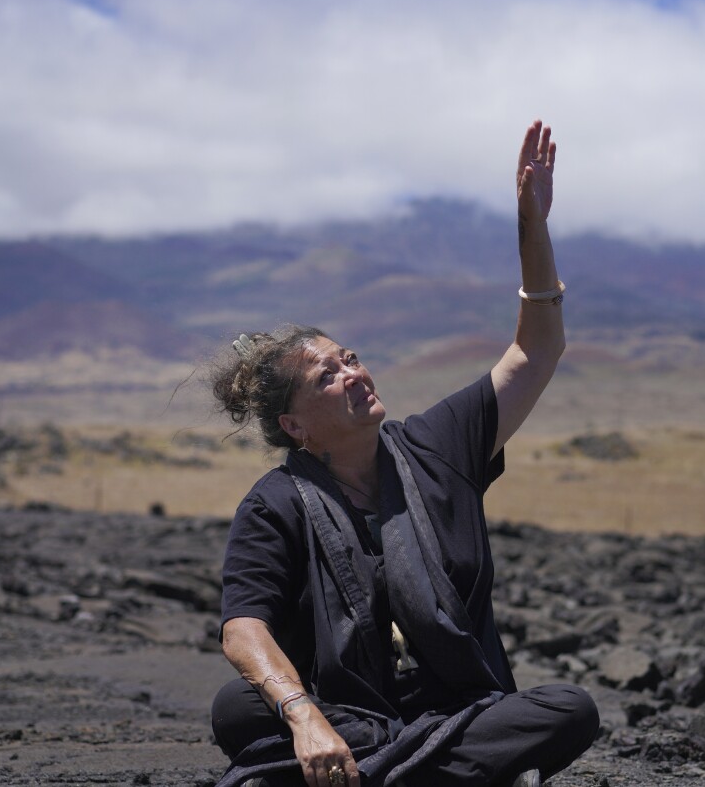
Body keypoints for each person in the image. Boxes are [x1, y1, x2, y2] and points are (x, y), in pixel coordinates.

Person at [207, 121, 598, 787]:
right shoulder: (276, 504)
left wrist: (533, 226)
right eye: (328, 376)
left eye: (351, 358)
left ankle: (362, 777)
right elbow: (244, 629)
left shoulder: (437, 447)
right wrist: (304, 716)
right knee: (240, 707)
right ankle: (428, 771)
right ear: (294, 425)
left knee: (569, 709)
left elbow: (536, 351)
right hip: (344, 712)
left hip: (462, 705)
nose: (355, 374)